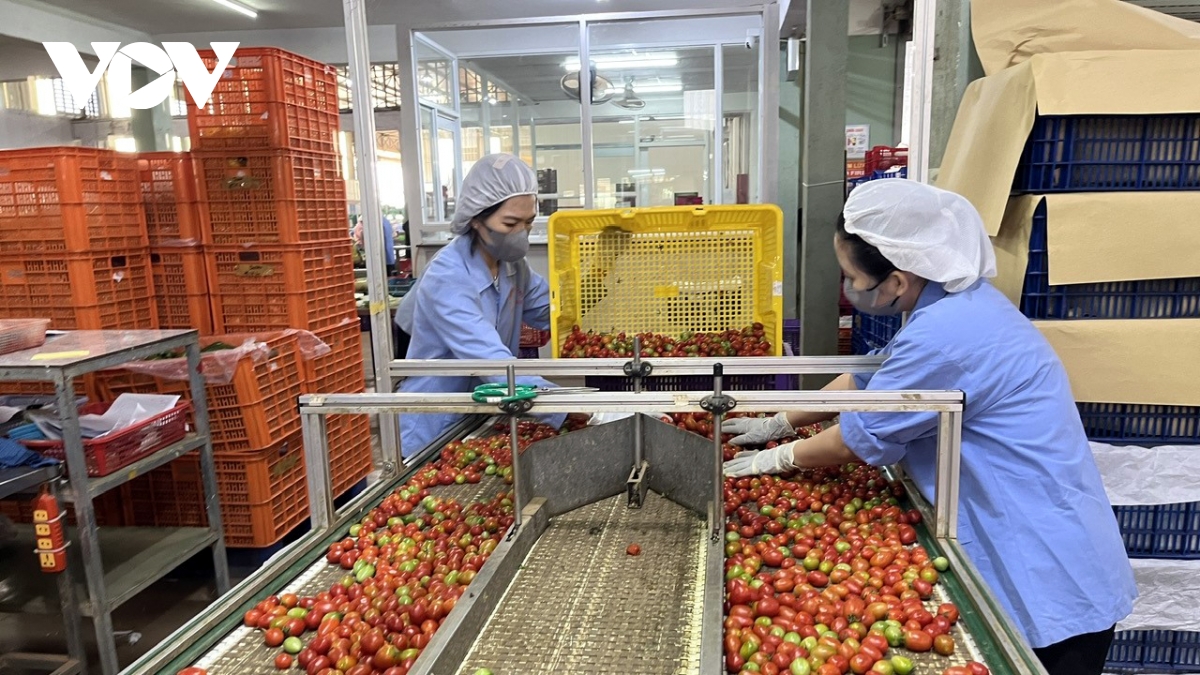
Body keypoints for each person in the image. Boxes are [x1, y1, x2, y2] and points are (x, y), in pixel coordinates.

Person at [721, 180, 1135, 675]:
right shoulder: (954, 304)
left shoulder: (947, 334)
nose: (848, 289)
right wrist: (781, 419)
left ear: (898, 280)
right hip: (1031, 527)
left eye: (852, 277)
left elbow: (860, 434)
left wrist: (777, 457)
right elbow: (869, 377)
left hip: (1045, 561)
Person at [394, 154, 564, 458]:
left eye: (528, 223)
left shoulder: (513, 266)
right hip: (437, 424)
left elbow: (553, 311)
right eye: (510, 223)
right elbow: (492, 363)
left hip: (481, 416)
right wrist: (570, 406)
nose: (521, 233)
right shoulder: (447, 276)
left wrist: (598, 279)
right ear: (476, 219)